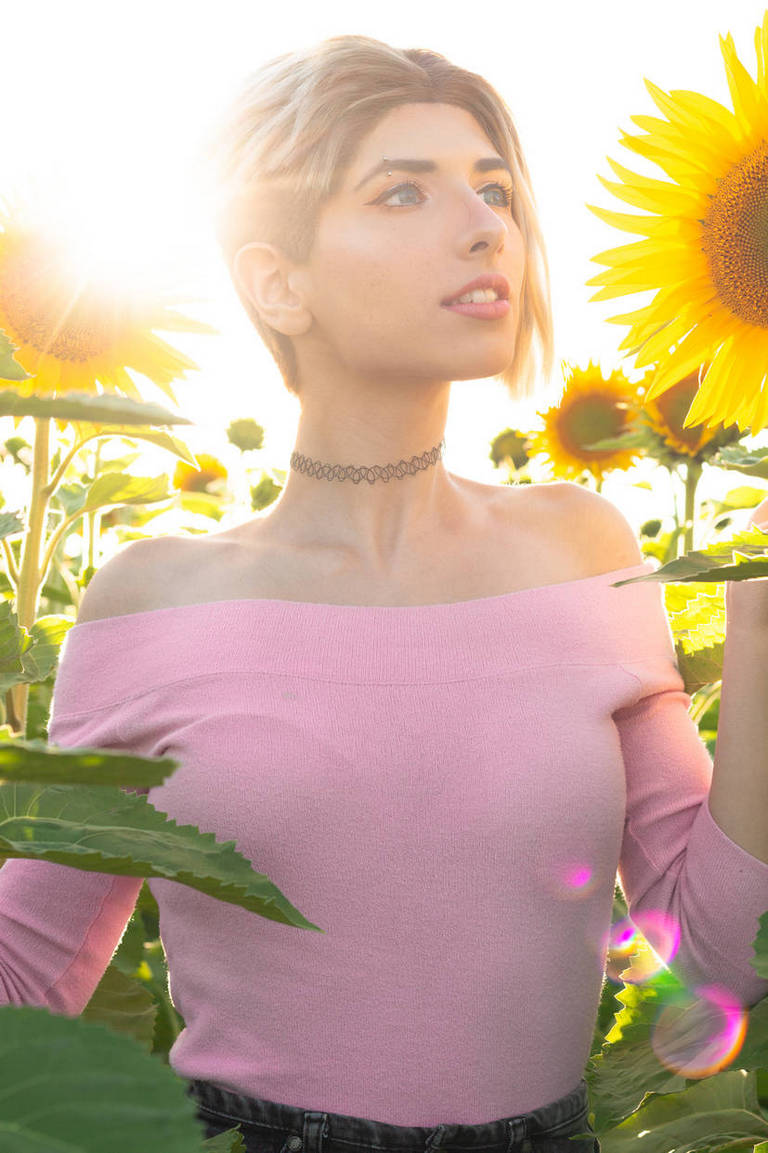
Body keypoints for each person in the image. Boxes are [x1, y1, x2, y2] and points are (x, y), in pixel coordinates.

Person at [2, 33, 768, 1153]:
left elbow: (715, 955)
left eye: (494, 188)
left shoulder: (587, 551)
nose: (483, 224)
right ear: (279, 280)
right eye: (402, 190)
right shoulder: (151, 598)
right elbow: (27, 976)